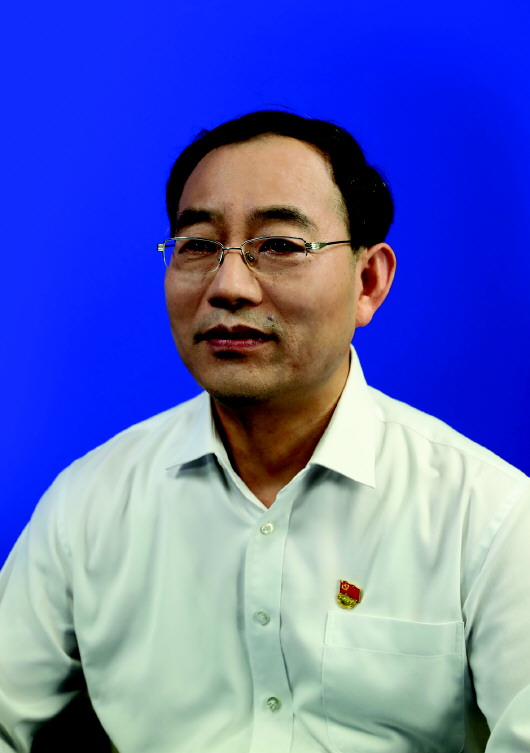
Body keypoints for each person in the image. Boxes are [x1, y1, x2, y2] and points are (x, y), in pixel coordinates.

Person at [1, 110, 529, 753]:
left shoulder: (488, 516)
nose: (228, 286)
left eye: (279, 246)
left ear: (368, 282)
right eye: (198, 246)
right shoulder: (89, 504)